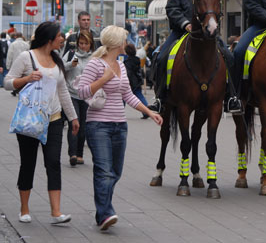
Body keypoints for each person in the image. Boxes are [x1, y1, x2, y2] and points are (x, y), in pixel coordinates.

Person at [78, 25, 162, 231]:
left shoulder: (121, 65)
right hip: (98, 125)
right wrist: (103, 79)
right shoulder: (95, 64)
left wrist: (149, 111)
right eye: (124, 40)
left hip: (119, 125)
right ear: (116, 43)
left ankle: (102, 212)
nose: (127, 44)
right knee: (104, 170)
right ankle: (106, 212)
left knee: (115, 171)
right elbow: (81, 92)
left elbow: (129, 96)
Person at [4, 21, 79, 225]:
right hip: (30, 120)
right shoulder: (26, 57)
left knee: (53, 163)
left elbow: (62, 91)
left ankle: (56, 212)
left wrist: (73, 117)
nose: (62, 39)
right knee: (28, 163)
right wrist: (27, 78)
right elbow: (7, 82)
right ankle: (24, 209)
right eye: (59, 36)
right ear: (49, 38)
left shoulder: (57, 60)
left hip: (54, 120)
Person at [151, 0, 242, 113]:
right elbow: (172, 8)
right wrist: (185, 23)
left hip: (207, 34)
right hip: (181, 31)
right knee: (162, 57)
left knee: (229, 56)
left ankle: (231, 97)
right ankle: (160, 97)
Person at [62, 30, 94, 166]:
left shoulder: (94, 58)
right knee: (74, 124)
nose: (83, 46)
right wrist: (70, 65)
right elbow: (60, 67)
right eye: (81, 43)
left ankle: (80, 154)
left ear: (90, 44)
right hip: (72, 94)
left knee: (84, 127)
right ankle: (72, 154)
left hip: (86, 96)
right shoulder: (70, 55)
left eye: (86, 43)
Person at [123, 43, 149, 119]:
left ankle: (119, 113)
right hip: (137, 81)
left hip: (131, 82)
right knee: (140, 96)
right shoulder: (137, 60)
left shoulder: (127, 62)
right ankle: (146, 111)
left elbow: (128, 74)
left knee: (123, 97)